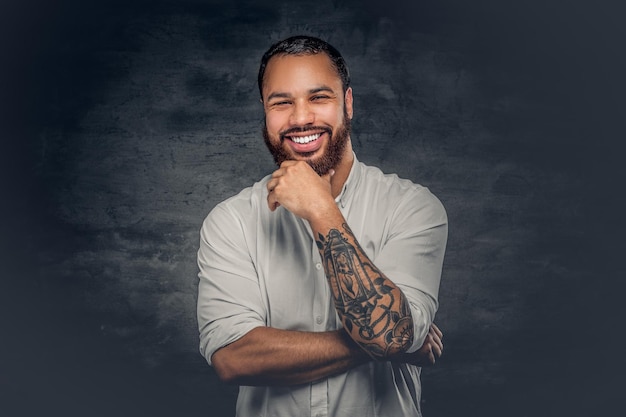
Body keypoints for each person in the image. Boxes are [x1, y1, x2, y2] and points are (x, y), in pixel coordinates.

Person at [197, 35, 448, 417]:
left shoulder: (412, 208)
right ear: (265, 111)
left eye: (319, 97)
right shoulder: (230, 221)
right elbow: (234, 359)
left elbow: (391, 334)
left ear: (347, 103)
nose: (300, 119)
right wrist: (395, 341)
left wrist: (321, 209)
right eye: (281, 103)